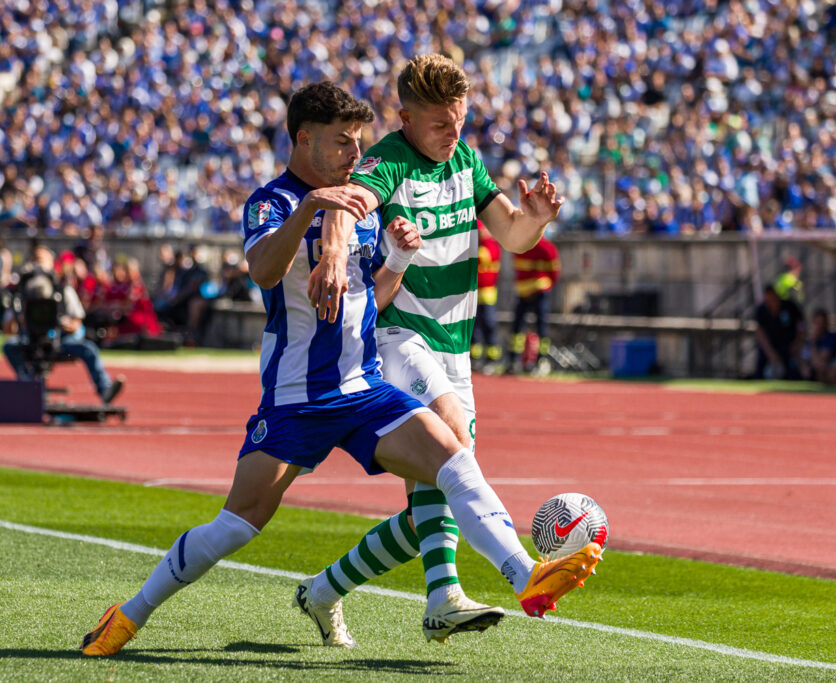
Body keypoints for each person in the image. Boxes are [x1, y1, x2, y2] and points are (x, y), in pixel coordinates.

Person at [79, 82, 599, 657]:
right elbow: (263, 271)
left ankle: (525, 574)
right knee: (237, 525)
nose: (356, 154)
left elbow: (369, 300)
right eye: (343, 143)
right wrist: (310, 209)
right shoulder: (270, 201)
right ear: (304, 140)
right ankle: (128, 616)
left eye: (357, 141)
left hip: (365, 389)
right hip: (297, 396)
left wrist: (398, 258)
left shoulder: (361, 209)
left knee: (452, 453)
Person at [302, 55, 568, 647]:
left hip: (455, 346)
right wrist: (332, 253)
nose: (455, 135)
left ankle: (325, 590)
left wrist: (538, 219)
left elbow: (516, 235)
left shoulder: (467, 160)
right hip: (397, 335)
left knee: (445, 484)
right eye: (442, 125)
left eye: (461, 121)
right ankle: (518, 574)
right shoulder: (387, 161)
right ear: (407, 118)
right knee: (454, 445)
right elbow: (345, 207)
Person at [2, 245, 125, 404]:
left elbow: (77, 322)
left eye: (41, 260)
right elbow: (8, 328)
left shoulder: (61, 289)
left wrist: (63, 324)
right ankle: (28, 384)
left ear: (52, 263)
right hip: (30, 341)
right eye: (34, 260)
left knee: (88, 349)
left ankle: (105, 388)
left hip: (58, 342)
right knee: (10, 346)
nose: (37, 265)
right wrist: (19, 319)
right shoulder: (22, 293)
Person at [505, 234, 561, 374]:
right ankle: (514, 360)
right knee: (519, 327)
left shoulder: (544, 246)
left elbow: (554, 271)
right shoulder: (520, 244)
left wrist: (545, 285)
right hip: (526, 290)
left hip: (537, 290)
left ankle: (540, 361)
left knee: (538, 327)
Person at [752, 285, 804, 380]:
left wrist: (798, 343)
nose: (770, 303)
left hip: (787, 344)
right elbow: (760, 333)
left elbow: (800, 326)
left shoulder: (789, 307)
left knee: (791, 371)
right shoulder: (762, 310)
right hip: (770, 344)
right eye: (767, 301)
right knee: (761, 368)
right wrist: (770, 352)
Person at [470, 221, 502, 372]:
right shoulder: (480, 245)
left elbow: (485, 259)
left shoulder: (490, 246)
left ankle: (492, 358)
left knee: (489, 325)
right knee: (474, 328)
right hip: (475, 294)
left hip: (487, 293)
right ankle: (475, 358)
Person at [800, 308, 836, 383]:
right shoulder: (807, 338)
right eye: (817, 323)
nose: (819, 326)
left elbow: (820, 362)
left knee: (821, 368)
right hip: (807, 371)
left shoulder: (830, 338)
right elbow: (801, 356)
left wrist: (813, 342)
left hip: (826, 370)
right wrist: (803, 366)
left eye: (821, 323)